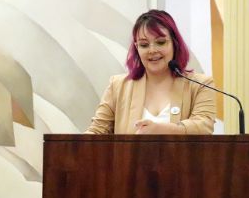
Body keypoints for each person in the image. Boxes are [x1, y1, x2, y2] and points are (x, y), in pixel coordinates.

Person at [85, 10, 216, 134]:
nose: (152, 50)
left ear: (174, 44)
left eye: (160, 42)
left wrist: (162, 129)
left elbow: (204, 126)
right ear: (137, 48)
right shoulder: (118, 86)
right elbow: (96, 132)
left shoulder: (200, 85)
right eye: (144, 45)